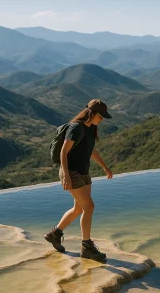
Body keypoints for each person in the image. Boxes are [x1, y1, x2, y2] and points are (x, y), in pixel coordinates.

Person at [44, 99, 113, 261]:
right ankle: (87, 247)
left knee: (79, 209)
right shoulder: (76, 128)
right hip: (72, 172)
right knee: (89, 207)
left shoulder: (90, 129)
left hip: (83, 172)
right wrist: (66, 175)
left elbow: (91, 151)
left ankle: (55, 234)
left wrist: (105, 167)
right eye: (100, 116)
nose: (101, 119)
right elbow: (63, 152)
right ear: (92, 113)